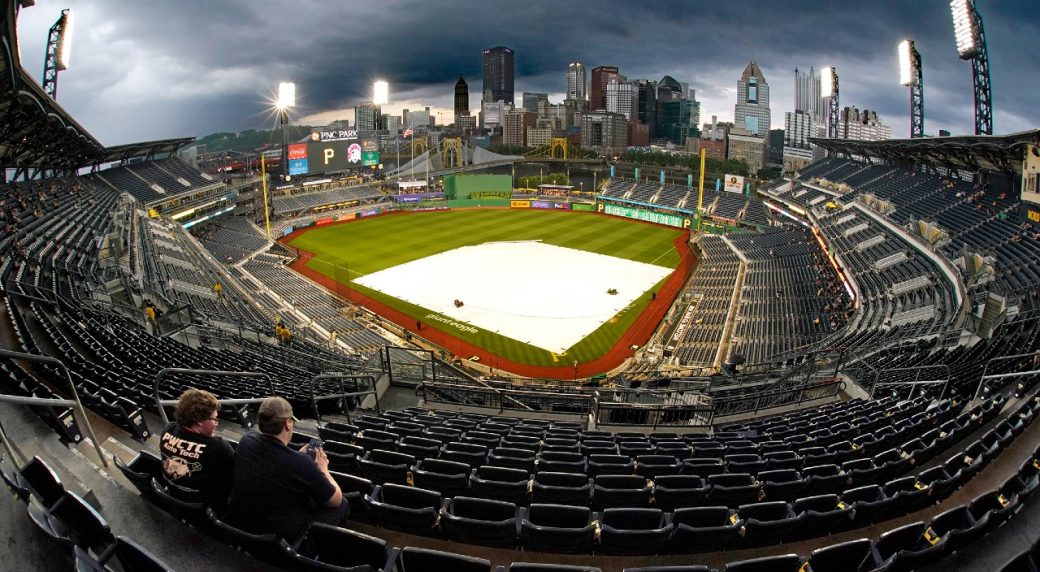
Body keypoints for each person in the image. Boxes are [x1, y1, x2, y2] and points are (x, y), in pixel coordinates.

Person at [224, 397, 344, 542]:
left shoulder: (246, 441)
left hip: (239, 522)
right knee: (342, 505)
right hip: (273, 538)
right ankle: (307, 548)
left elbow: (272, 457)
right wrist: (323, 469)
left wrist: (299, 457)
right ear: (288, 423)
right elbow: (335, 500)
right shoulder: (302, 463)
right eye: (292, 421)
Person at [159, 389, 235, 510]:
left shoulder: (167, 430)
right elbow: (234, 480)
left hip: (173, 494)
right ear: (199, 421)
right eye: (214, 419)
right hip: (204, 507)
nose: (217, 424)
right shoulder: (218, 447)